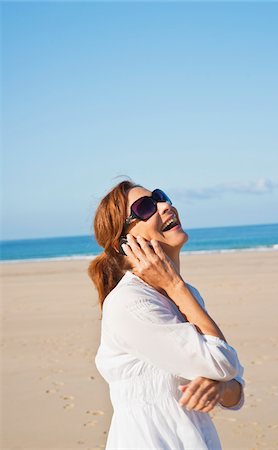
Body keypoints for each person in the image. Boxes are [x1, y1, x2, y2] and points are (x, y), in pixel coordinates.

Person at [88, 179, 245, 450]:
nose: (165, 205)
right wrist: (175, 286)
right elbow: (224, 364)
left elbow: (235, 390)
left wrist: (219, 388)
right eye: (145, 207)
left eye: (161, 196)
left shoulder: (187, 295)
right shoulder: (130, 303)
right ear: (122, 243)